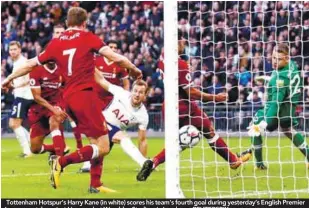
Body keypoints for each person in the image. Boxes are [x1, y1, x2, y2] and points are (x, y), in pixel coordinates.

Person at [2, 7, 142, 193]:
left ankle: (95, 184)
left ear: (67, 23)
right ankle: (61, 162)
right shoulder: (88, 37)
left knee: (96, 140)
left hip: (68, 99)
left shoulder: (55, 43)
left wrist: (8, 79)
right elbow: (114, 56)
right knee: (104, 146)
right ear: (84, 23)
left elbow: (28, 65)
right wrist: (134, 69)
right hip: (84, 95)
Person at [136, 31, 252, 181]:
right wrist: (215, 98)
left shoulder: (163, 57)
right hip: (184, 106)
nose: (184, 44)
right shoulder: (181, 65)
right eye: (183, 42)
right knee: (205, 132)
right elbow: (191, 92)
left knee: (178, 141)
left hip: (168, 105)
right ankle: (233, 161)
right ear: (176, 42)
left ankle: (153, 162)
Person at [247, 43, 309, 170]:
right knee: (289, 131)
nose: (275, 61)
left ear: (286, 58)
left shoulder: (279, 79)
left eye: (279, 59)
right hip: (290, 108)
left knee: (255, 125)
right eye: (274, 57)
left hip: (279, 110)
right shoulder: (291, 65)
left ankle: (259, 164)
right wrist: (268, 79)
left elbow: (276, 103)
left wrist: (266, 122)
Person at [80, 40, 130, 172]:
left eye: (115, 47)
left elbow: (126, 84)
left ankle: (96, 159)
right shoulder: (97, 61)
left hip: (111, 103)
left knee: (108, 133)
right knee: (94, 132)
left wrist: (125, 97)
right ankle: (89, 163)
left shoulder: (120, 65)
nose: (113, 49)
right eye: (111, 47)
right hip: (95, 101)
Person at [93, 69, 149, 168]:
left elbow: (142, 140)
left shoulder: (143, 115)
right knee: (124, 138)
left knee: (98, 155)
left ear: (145, 96)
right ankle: (143, 163)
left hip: (112, 132)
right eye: (135, 91)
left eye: (140, 92)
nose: (137, 94)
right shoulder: (121, 93)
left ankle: (65, 161)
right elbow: (102, 80)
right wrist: (90, 63)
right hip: (101, 121)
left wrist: (144, 165)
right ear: (131, 91)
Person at [28, 62, 69, 157]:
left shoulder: (63, 70)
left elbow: (67, 88)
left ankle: (59, 161)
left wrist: (61, 106)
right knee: (35, 149)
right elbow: (36, 97)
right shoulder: (36, 71)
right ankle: (60, 147)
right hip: (39, 109)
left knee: (54, 121)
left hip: (56, 106)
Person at [7, 41, 33, 158]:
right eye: (11, 49)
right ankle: (32, 145)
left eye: (14, 49)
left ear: (20, 50)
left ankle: (27, 151)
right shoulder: (17, 62)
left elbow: (29, 78)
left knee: (14, 123)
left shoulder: (23, 62)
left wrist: (15, 86)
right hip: (20, 95)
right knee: (15, 124)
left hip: (23, 96)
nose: (12, 51)